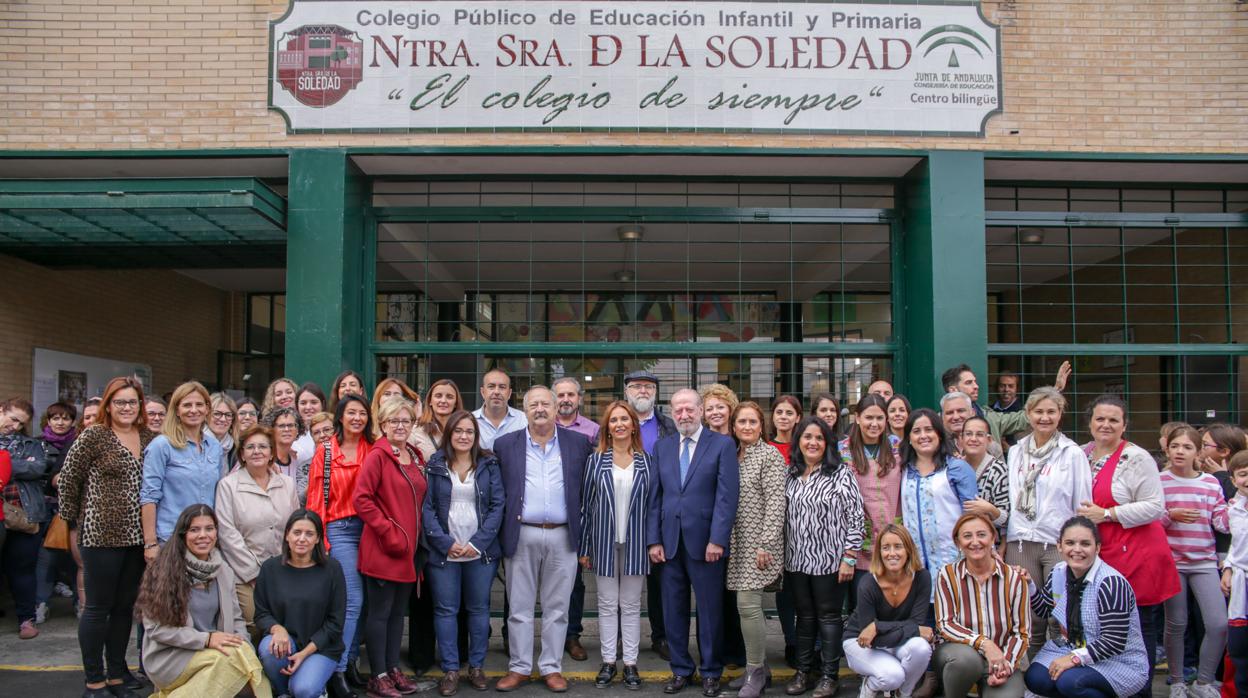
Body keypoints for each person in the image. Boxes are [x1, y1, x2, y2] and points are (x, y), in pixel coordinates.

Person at [58, 376, 154, 697]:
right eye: (120, 402)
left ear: (140, 405)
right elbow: (69, 481)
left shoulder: (148, 437)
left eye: (132, 402)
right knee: (97, 608)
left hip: (138, 537)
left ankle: (116, 675)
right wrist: (72, 524)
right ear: (108, 406)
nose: (127, 407)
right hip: (100, 535)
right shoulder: (94, 437)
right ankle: (94, 681)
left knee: (124, 608)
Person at [493, 386, 593, 693]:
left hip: (563, 535)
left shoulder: (578, 443)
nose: (540, 409)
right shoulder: (505, 444)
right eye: (533, 404)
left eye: (545, 404)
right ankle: (520, 667)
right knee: (519, 607)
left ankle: (551, 667)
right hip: (522, 532)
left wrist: (586, 541)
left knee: (558, 608)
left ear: (555, 408)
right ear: (524, 410)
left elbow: (587, 496)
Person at [1076, 394, 1176, 694]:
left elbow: (1155, 507)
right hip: (1102, 551)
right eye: (1100, 419)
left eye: (1113, 420)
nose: (1106, 425)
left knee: (1138, 625)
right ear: (1090, 422)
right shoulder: (1080, 453)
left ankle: (1140, 688)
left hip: (1137, 551)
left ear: (1124, 425)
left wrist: (1107, 514)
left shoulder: (1137, 457)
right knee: (1104, 624)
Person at [647, 388, 740, 698]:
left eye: (689, 409)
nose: (684, 415)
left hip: (706, 545)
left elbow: (727, 498)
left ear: (700, 410)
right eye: (678, 410)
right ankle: (681, 670)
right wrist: (653, 540)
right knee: (673, 610)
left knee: (710, 611)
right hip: (670, 544)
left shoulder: (722, 445)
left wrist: (718, 540)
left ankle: (711, 672)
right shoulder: (663, 447)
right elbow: (655, 498)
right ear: (672, 413)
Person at [136, 504, 270, 698]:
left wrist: (243, 645)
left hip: (215, 649)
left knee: (243, 666)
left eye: (209, 528)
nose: (203, 535)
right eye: (194, 530)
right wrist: (206, 639)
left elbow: (237, 619)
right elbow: (156, 629)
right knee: (231, 664)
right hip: (173, 656)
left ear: (216, 533)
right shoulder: (163, 570)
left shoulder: (223, 570)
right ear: (183, 534)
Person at [1021, 516, 1150, 698]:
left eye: (1085, 544)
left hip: (1117, 660)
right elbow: (1044, 610)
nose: (1077, 549)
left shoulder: (1110, 582)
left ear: (1097, 548)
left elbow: (1114, 642)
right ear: (1059, 546)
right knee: (1035, 679)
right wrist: (1030, 585)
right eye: (1070, 543)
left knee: (1070, 682)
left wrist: (1073, 659)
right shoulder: (1058, 572)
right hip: (1073, 647)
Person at [1005, 386, 1092, 657]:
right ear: (1028, 414)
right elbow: (1011, 495)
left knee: (1059, 612)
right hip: (1020, 541)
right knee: (1030, 614)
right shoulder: (1016, 451)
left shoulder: (1072, 453)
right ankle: (1034, 672)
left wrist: (1077, 541)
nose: (1044, 417)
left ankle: (1060, 668)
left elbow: (1083, 502)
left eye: (1051, 412)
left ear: (1060, 415)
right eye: (1038, 411)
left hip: (1057, 541)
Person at [781, 416, 863, 698]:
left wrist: (849, 557)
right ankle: (804, 671)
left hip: (830, 560)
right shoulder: (790, 473)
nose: (812, 442)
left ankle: (829, 675)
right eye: (807, 437)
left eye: (818, 438)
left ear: (827, 443)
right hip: (796, 560)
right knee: (804, 617)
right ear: (799, 442)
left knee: (828, 618)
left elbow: (856, 517)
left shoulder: (840, 473)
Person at [424, 410, 505, 695]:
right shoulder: (435, 463)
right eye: (458, 431)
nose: (463, 436)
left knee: (479, 608)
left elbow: (498, 506)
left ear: (475, 435)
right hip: (444, 550)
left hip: (479, 551)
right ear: (450, 434)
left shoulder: (488, 463)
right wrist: (445, 543)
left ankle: (477, 667)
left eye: (469, 431)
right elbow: (428, 508)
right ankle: (450, 669)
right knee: (446, 610)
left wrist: (476, 543)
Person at [354, 397, 427, 698]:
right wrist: (388, 530)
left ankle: (392, 668)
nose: (400, 426)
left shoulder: (414, 454)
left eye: (405, 421)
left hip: (409, 551)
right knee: (380, 614)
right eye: (393, 421)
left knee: (399, 614)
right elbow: (362, 499)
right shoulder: (378, 456)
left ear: (412, 425)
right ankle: (378, 675)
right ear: (382, 425)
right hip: (384, 548)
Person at [579, 400, 653, 690]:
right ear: (606, 428)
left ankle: (631, 664)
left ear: (633, 425)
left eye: (625, 419)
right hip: (603, 541)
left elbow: (653, 505)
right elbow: (586, 505)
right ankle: (609, 662)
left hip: (636, 542)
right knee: (607, 605)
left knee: (632, 605)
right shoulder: (595, 460)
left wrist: (653, 542)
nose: (620, 424)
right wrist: (585, 547)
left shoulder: (647, 461)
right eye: (614, 420)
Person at [306, 394, 375, 695]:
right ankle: (336, 669)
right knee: (352, 601)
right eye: (351, 413)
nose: (357, 418)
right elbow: (315, 496)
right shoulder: (326, 451)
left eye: (362, 413)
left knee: (367, 603)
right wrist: (320, 538)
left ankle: (351, 663)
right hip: (340, 529)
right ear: (340, 417)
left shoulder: (373, 450)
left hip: (371, 530)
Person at [1160, 425, 1228, 698]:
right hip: (1172, 562)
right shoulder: (1159, 480)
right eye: (1175, 446)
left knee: (1218, 623)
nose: (1180, 451)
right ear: (1167, 448)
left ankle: (1204, 681)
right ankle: (1177, 681)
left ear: (1198, 452)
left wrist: (1237, 507)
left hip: (1204, 562)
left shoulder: (1211, 483)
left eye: (1187, 447)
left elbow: (1221, 523)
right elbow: (1152, 521)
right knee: (1176, 623)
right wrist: (1171, 515)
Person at [214, 425, 300, 639]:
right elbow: (227, 534)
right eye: (250, 447)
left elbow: (295, 527)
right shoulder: (228, 486)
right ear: (242, 453)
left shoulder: (287, 484)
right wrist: (254, 574)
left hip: (285, 568)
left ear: (272, 452)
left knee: (288, 622)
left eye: (263, 446)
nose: (257, 451)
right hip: (246, 573)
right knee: (254, 624)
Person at [725, 401, 786, 698]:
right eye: (741, 422)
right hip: (735, 543)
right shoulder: (731, 455)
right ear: (733, 426)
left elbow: (776, 502)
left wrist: (767, 543)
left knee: (747, 605)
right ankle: (761, 667)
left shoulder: (769, 455)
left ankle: (755, 672)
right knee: (745, 607)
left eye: (752, 422)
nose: (747, 427)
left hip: (759, 543)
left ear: (761, 426)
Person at [934, 513, 1029, 698]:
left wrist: (1005, 665)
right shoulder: (947, 575)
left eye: (981, 534)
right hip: (958, 656)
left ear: (993, 537)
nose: (975, 542)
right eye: (967, 536)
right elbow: (945, 624)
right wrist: (985, 644)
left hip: (999, 658)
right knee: (966, 661)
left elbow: (1021, 632)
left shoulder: (1015, 579)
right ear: (958, 542)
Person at [254, 510, 346, 698]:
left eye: (309, 534)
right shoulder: (270, 568)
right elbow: (261, 614)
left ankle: (314, 687)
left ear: (318, 538)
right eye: (297, 532)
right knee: (268, 649)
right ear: (287, 535)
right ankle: (282, 693)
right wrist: (277, 629)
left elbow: (335, 623)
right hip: (286, 643)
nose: (302, 539)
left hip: (321, 647)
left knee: (304, 690)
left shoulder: (332, 569)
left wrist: (304, 654)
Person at [842, 524, 934, 698]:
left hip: (894, 639)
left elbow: (917, 625)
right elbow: (869, 640)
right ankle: (870, 686)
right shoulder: (868, 583)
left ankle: (902, 694)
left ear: (908, 550)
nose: (892, 553)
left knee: (921, 648)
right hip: (859, 643)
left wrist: (877, 626)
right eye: (886, 548)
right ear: (879, 553)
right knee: (892, 676)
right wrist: (912, 630)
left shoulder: (922, 578)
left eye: (898, 546)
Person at [623, 369, 676, 660]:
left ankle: (662, 636)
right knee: (622, 576)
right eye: (636, 386)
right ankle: (620, 636)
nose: (642, 391)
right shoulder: (615, 423)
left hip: (661, 513)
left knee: (660, 580)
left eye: (647, 386)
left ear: (655, 392)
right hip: (623, 512)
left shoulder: (669, 426)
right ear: (627, 392)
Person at [141, 381, 224, 559]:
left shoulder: (215, 446)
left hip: (204, 539)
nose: (194, 410)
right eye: (187, 405)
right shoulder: (161, 445)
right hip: (171, 537)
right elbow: (148, 496)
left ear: (208, 409)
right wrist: (150, 543)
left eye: (199, 404)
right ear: (176, 410)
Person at [900, 409, 978, 588]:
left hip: (953, 560)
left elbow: (973, 515)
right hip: (915, 565)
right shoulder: (903, 470)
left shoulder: (957, 468)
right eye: (916, 431)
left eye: (929, 430)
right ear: (909, 439)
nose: (923, 436)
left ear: (939, 434)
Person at [698, 383, 747, 670]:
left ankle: (736, 651)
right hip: (711, 528)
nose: (716, 412)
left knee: (736, 595)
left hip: (741, 527)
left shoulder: (742, 439)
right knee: (713, 595)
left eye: (721, 406)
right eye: (710, 407)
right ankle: (714, 651)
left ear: (731, 409)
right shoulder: (700, 442)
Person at [839, 395, 902, 603]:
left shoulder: (899, 448)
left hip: (893, 537)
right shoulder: (843, 450)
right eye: (868, 418)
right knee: (862, 604)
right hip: (858, 542)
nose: (874, 424)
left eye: (880, 418)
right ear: (857, 418)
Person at [1, 396, 52, 637]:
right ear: (1, 411)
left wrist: (5, 462)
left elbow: (37, 468)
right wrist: (18, 464)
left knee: (22, 568)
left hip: (25, 513)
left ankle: (26, 619)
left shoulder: (32, 444)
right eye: (13, 419)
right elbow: (27, 467)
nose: (16, 426)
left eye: (21, 423)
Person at [941, 362, 1072, 445]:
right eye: (969, 383)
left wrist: (1055, 390)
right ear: (953, 390)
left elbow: (1023, 418)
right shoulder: (936, 426)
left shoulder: (989, 417)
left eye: (975, 382)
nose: (976, 386)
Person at [35, 401, 80, 624]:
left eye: (65, 418)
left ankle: (79, 602)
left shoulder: (79, 442)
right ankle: (40, 603)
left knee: (75, 558)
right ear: (48, 420)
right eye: (55, 418)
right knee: (46, 558)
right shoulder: (37, 444)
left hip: (69, 508)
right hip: (44, 508)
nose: (60, 422)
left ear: (72, 421)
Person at [1221, 451, 1248, 694]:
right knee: (1239, 645)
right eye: (1243, 474)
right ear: (1233, 479)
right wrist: (1228, 567)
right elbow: (1237, 545)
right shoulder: (1235, 509)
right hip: (1241, 583)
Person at [960, 416, 1011, 541]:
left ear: (988, 440)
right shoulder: (954, 468)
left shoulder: (999, 470)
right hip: (958, 541)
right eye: (968, 434)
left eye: (979, 434)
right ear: (961, 439)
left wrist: (990, 509)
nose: (973, 439)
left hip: (990, 542)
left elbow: (1007, 519)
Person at [371, 378, 437, 460]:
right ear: (378, 398)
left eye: (396, 394)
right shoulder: (368, 424)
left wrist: (414, 422)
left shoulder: (417, 427)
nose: (392, 398)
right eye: (387, 394)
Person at [473, 367, 526, 451]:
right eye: (491, 386)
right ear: (482, 392)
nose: (496, 392)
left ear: (509, 393)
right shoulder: (470, 421)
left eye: (502, 387)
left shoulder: (524, 421)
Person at [263, 407, 308, 484]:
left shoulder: (297, 463)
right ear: (271, 429)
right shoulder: (262, 459)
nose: (287, 429)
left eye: (290, 425)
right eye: (281, 426)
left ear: (297, 430)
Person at [420, 379, 464, 449]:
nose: (443, 401)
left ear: (456, 403)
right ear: (430, 401)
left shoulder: (465, 430)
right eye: (438, 396)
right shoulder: (416, 430)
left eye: (449, 397)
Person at [554, 377, 600, 443]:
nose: (566, 400)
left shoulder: (594, 430)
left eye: (570, 395)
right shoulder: (545, 426)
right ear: (553, 399)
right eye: (561, 395)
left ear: (579, 399)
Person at [291, 383, 326, 464]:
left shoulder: (333, 430)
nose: (308, 407)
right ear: (297, 406)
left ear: (323, 404)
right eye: (303, 403)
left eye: (314, 402)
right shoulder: (290, 432)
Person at [938, 391, 978, 457]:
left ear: (972, 413)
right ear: (942, 417)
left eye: (961, 411)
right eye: (950, 412)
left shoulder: (987, 444)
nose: (956, 417)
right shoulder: (936, 446)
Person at [207, 392, 238, 473]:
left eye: (228, 415)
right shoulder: (195, 444)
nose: (223, 419)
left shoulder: (236, 447)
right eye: (217, 414)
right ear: (206, 415)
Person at [768, 395, 802, 463]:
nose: (783, 417)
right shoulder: (765, 448)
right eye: (779, 412)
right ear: (773, 417)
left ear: (797, 418)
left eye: (789, 413)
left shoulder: (803, 447)